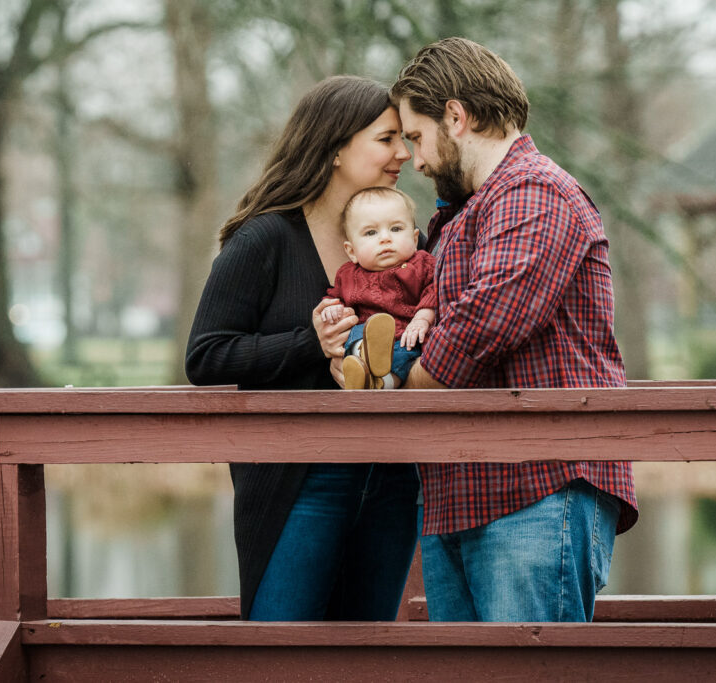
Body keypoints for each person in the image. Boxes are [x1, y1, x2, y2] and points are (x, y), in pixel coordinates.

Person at [389, 37, 639, 622]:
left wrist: (398, 391)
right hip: (461, 495)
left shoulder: (534, 190)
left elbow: (487, 321)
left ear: (456, 116)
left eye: (417, 137)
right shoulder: (463, 213)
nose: (416, 161)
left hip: (537, 488)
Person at [185, 76, 419, 621]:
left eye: (403, 139)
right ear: (337, 147)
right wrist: (309, 343)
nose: (403, 153)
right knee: (280, 656)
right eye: (386, 139)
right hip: (298, 482)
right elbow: (206, 356)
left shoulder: (401, 238)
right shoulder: (264, 239)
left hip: (389, 478)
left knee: (367, 658)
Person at [320, 186, 437, 390]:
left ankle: (380, 383)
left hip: (406, 334)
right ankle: (364, 359)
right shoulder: (347, 275)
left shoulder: (423, 264)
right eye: (371, 232)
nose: (385, 238)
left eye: (396, 229)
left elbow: (433, 291)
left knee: (406, 354)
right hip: (366, 333)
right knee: (355, 335)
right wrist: (332, 308)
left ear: (415, 238)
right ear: (352, 251)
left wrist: (422, 319)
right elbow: (335, 297)